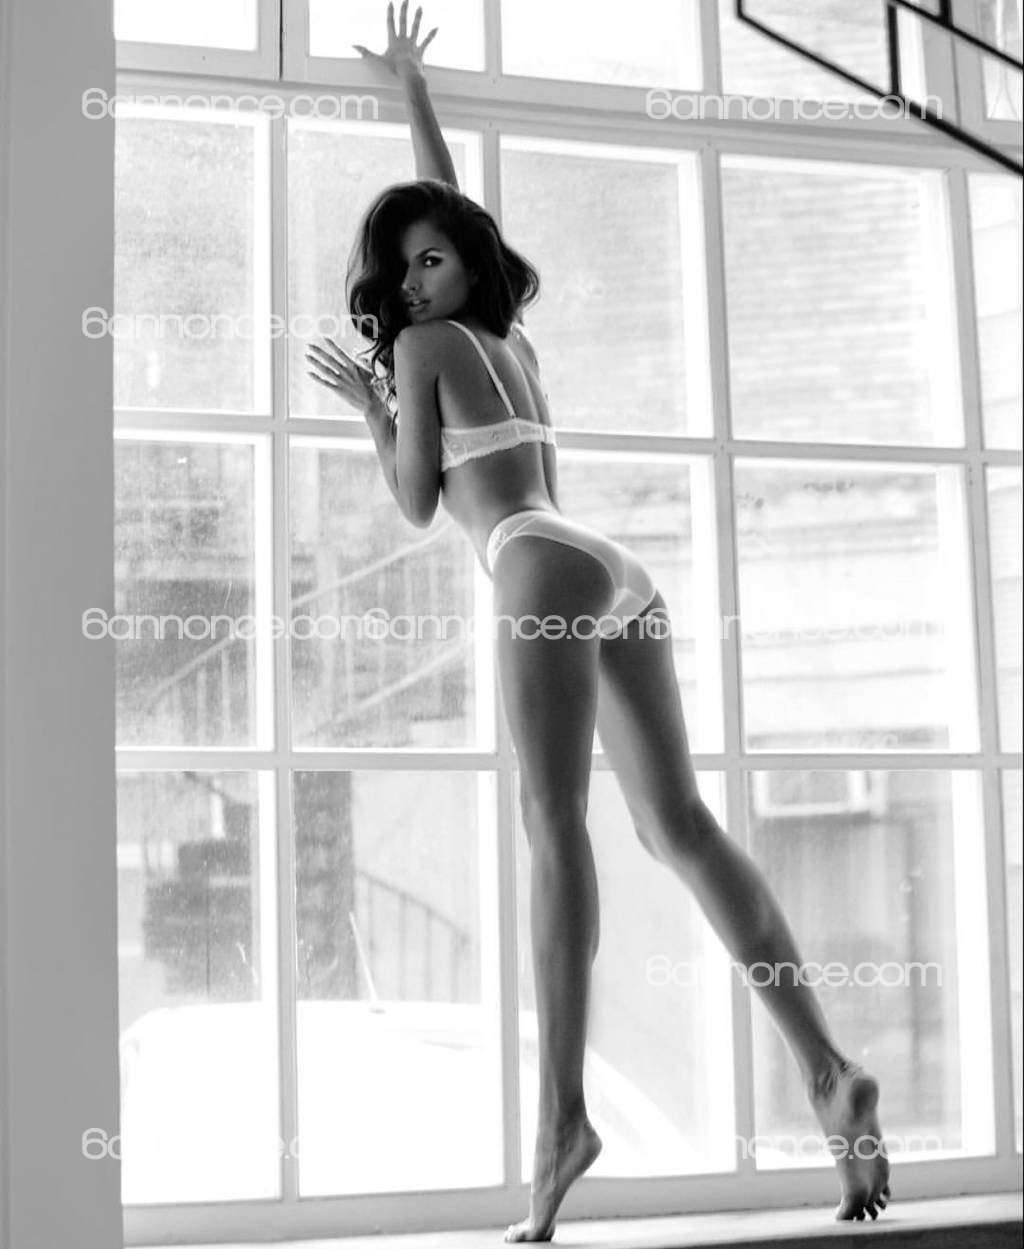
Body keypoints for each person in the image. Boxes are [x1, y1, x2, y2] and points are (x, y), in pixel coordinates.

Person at [305, 4, 891, 1241]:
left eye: (426, 263)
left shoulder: (421, 349)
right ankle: (826, 1067)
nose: (412, 282)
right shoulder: (506, 335)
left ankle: (561, 1121)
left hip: (534, 564)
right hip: (614, 567)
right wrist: (415, 94)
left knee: (552, 824)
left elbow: (416, 502)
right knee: (678, 825)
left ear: (455, 266)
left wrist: (370, 411)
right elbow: (454, 207)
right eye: (401, 270)